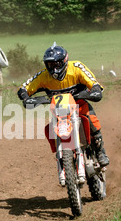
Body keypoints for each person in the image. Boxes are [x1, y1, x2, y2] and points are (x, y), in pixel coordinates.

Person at [17, 44, 110, 186]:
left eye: (56, 64)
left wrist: (95, 90)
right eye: (50, 64)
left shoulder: (76, 67)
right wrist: (26, 97)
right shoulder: (43, 76)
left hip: (79, 105)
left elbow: (93, 82)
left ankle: (100, 152)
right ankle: (62, 157)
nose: (53, 68)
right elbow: (24, 88)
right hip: (59, 112)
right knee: (49, 129)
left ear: (64, 61)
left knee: (91, 119)